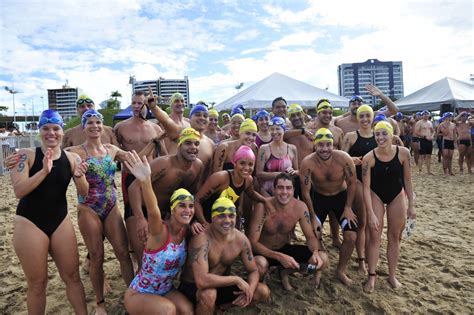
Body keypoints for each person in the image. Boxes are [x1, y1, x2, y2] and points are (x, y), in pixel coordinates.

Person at [10, 110, 88, 314]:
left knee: (73, 277)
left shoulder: (72, 158)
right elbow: (19, 191)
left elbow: (83, 192)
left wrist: (80, 177)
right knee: (38, 283)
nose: (51, 133)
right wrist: (44, 170)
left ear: (62, 132)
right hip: (29, 222)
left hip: (60, 220)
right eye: (45, 128)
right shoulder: (25, 155)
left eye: (56, 128)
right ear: (39, 131)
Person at [67, 110, 135, 314]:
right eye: (90, 123)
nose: (95, 126)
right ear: (83, 127)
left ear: (103, 126)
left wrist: (159, 145)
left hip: (111, 205)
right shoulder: (76, 152)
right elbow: (52, 154)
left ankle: (134, 293)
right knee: (96, 257)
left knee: (123, 253)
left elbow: (135, 158)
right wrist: (25, 156)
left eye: (98, 122)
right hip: (88, 207)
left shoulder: (111, 149)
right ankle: (100, 303)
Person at [124, 151, 194, 314]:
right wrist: (146, 181)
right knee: (168, 310)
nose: (187, 210)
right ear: (172, 209)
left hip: (165, 289)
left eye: (191, 206)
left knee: (188, 310)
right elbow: (153, 210)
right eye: (182, 206)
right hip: (139, 293)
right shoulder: (160, 230)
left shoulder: (186, 231)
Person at [127, 128, 204, 268]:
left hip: (165, 213)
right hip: (140, 208)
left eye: (196, 144)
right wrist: (139, 219)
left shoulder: (197, 166)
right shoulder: (163, 164)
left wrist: (193, 221)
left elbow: (191, 195)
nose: (193, 147)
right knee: (143, 260)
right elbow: (133, 188)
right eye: (188, 143)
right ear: (179, 145)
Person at [178, 197, 270, 314]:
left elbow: (253, 270)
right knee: (209, 294)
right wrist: (236, 279)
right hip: (193, 287)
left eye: (231, 216)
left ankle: (220, 308)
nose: (227, 220)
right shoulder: (202, 238)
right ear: (212, 217)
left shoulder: (241, 239)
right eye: (221, 216)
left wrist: (250, 290)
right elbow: (202, 281)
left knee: (262, 291)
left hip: (220, 285)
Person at [361, 121, 415, 293]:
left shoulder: (403, 153)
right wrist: (371, 213)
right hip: (375, 194)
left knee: (394, 236)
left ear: (391, 135)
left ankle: (392, 276)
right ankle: (371, 276)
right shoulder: (369, 158)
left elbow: (407, 180)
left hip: (396, 194)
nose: (380, 137)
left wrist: (411, 206)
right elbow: (365, 187)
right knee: (375, 236)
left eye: (384, 133)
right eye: (377, 134)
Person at [249, 173, 327, 290]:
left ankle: (285, 272)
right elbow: (253, 243)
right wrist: (279, 257)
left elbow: (310, 236)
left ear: (293, 190)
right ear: (274, 190)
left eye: (288, 188)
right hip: (264, 252)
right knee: (260, 266)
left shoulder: (300, 207)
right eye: (280, 188)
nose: (284, 192)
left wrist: (315, 252)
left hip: (284, 248)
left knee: (322, 259)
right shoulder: (263, 207)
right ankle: (262, 281)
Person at [300, 128, 358, 285]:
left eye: (328, 144)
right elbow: (305, 192)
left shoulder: (344, 158)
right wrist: (312, 216)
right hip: (319, 199)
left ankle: (340, 271)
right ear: (315, 145)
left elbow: (352, 183)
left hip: (341, 198)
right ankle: (317, 269)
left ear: (334, 144)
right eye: (320, 145)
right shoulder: (308, 163)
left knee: (351, 236)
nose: (325, 149)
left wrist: (348, 207)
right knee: (313, 235)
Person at [194, 145, 274, 233]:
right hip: (205, 219)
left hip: (224, 221)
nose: (246, 168)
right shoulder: (220, 178)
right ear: (234, 163)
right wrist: (204, 223)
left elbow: (251, 193)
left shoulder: (248, 180)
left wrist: (265, 201)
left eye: (250, 164)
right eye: (242, 163)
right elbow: (196, 200)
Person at [146, 87, 214, 180]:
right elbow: (166, 121)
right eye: (198, 115)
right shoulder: (183, 133)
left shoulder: (210, 143)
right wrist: (154, 107)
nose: (202, 118)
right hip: (173, 180)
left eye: (205, 116)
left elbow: (210, 172)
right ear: (191, 119)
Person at [341, 104, 377, 272]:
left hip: (376, 183)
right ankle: (361, 259)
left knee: (373, 224)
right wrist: (351, 159)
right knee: (362, 223)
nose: (364, 119)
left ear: (372, 118)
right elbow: (342, 157)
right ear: (357, 118)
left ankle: (370, 257)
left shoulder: (378, 136)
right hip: (358, 183)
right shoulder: (351, 136)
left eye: (367, 116)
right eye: (361, 116)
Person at [256, 116, 298, 196]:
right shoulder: (264, 149)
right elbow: (259, 174)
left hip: (286, 193)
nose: (274, 132)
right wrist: (282, 174)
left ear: (284, 130)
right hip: (268, 193)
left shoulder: (292, 148)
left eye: (278, 129)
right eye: (272, 129)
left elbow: (297, 171)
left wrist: (294, 172)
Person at [335, 85, 399, 134]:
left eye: (359, 104)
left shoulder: (372, 116)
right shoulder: (340, 123)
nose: (357, 106)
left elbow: (394, 110)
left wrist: (381, 95)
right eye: (354, 104)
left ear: (364, 105)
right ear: (349, 107)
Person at [414, 110, 435, 174]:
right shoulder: (419, 123)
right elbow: (416, 132)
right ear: (422, 115)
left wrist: (432, 136)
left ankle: (429, 171)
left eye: (427, 114)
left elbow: (433, 131)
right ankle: (420, 170)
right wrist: (425, 137)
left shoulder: (430, 122)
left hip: (429, 140)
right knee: (421, 156)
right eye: (424, 114)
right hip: (423, 140)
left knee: (429, 156)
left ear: (428, 115)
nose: (426, 115)